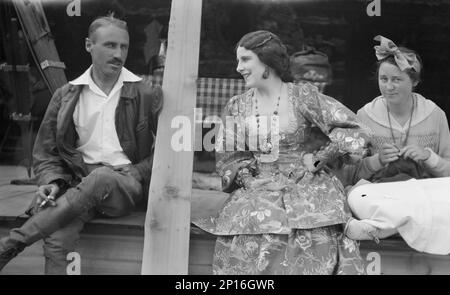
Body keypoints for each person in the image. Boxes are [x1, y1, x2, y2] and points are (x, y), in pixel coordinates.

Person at [193, 30, 376, 275]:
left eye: (245, 60)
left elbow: (355, 129)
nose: (238, 67)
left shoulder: (302, 96)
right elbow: (229, 155)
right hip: (258, 186)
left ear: (267, 60)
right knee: (251, 224)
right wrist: (249, 180)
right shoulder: (237, 105)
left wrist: (323, 156)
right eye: (238, 60)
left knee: (313, 225)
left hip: (306, 183)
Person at [0, 14, 163, 274]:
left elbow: (173, 151)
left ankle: (12, 243)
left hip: (123, 185)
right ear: (89, 45)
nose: (118, 54)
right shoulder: (66, 95)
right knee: (57, 237)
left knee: (101, 177)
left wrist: (140, 171)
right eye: (110, 45)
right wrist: (52, 183)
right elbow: (46, 152)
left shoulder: (145, 92)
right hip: (78, 185)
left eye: (123, 46)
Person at [344, 36, 450, 255]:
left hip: (423, 193)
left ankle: (382, 227)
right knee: (355, 194)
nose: (388, 87)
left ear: (415, 82)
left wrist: (428, 157)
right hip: (382, 194)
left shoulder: (435, 114)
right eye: (383, 79)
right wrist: (377, 160)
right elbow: (350, 174)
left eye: (397, 80)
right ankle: (394, 222)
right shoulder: (365, 115)